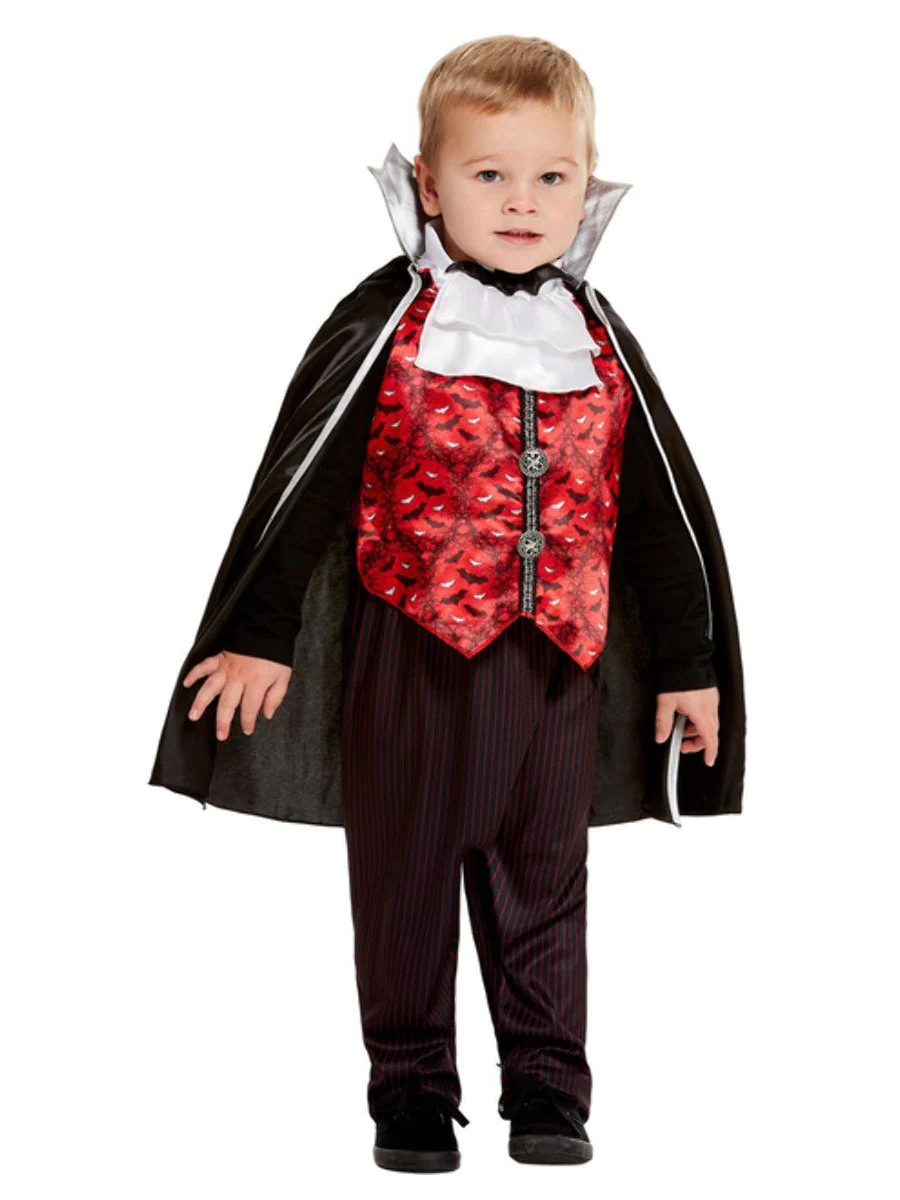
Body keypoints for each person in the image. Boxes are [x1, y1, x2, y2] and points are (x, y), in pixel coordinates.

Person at [149, 35, 746, 1174]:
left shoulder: (597, 337)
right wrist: (260, 635)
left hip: (560, 658)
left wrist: (690, 665)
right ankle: (413, 1088)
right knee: (406, 872)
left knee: (545, 879)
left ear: (586, 184)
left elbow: (659, 511)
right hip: (414, 647)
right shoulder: (393, 320)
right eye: (490, 174)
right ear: (429, 184)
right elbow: (308, 481)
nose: (523, 202)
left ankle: (548, 1087)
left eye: (551, 176)